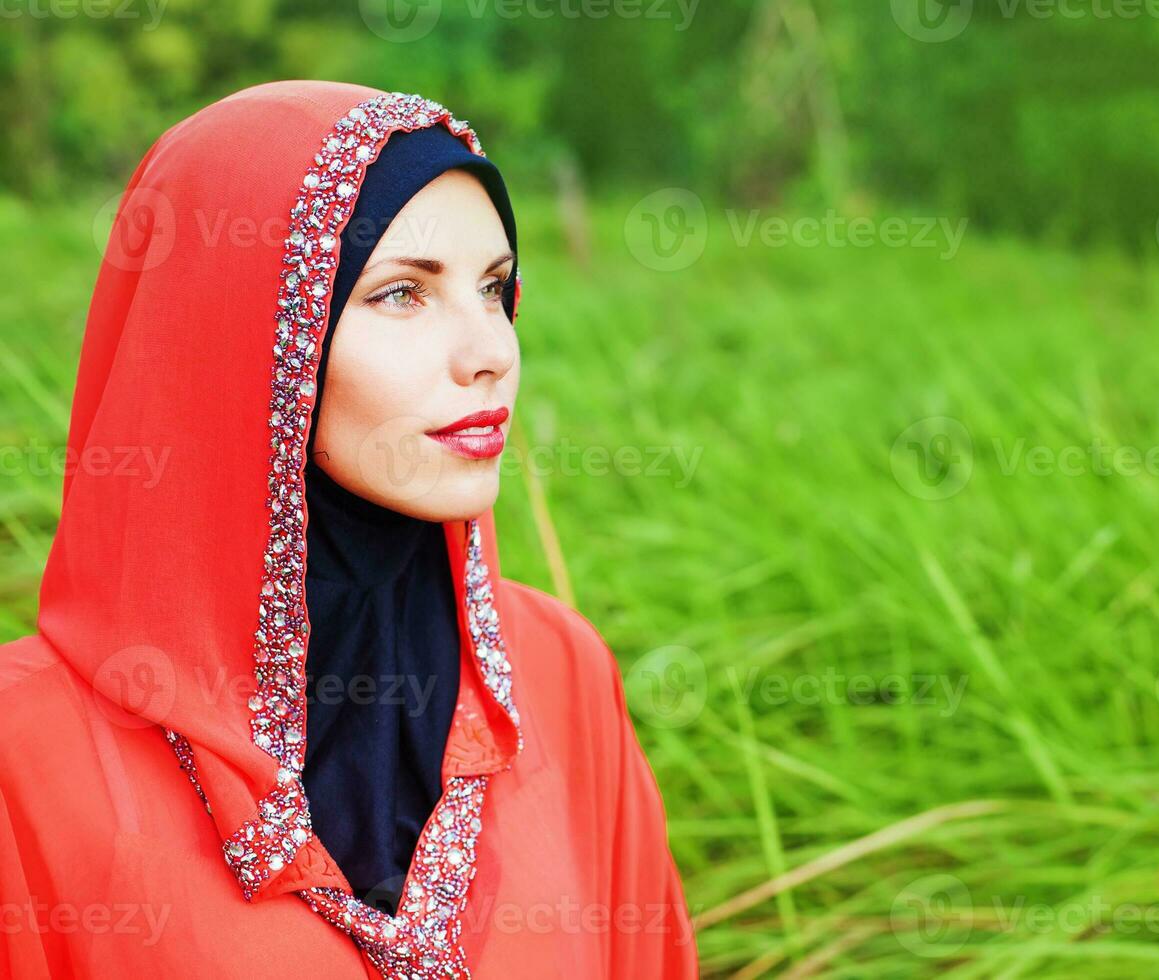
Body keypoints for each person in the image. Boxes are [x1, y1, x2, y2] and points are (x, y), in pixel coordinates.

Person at [0, 80, 698, 979]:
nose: (488, 351)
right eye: (403, 294)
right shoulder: (27, 751)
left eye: (494, 288)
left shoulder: (559, 672)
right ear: (245, 332)